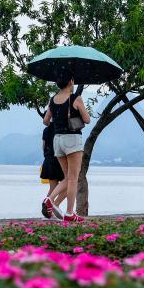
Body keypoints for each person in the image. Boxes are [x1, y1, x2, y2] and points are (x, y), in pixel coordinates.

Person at [42, 75, 90, 222]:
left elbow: (46, 121)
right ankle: (68, 212)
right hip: (72, 140)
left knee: (68, 177)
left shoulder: (53, 100)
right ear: (71, 82)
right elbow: (87, 119)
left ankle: (49, 200)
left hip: (57, 140)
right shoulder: (76, 98)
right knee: (73, 178)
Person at [39, 122, 65, 218]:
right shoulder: (61, 128)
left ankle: (47, 208)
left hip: (48, 159)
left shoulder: (46, 130)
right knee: (70, 183)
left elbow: (43, 146)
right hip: (59, 159)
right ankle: (54, 204)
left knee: (53, 187)